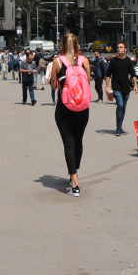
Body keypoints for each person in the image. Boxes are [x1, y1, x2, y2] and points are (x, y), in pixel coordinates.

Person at [50, 33, 92, 197]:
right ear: (77, 45)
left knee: (69, 143)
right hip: (83, 108)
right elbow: (87, 84)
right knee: (78, 140)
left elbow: (54, 86)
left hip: (64, 109)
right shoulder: (84, 61)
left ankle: (74, 183)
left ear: (62, 45)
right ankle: (74, 171)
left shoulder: (57, 62)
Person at [105, 41, 138, 136]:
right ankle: (118, 128)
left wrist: (135, 84)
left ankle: (120, 126)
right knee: (119, 105)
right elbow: (108, 74)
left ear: (125, 49)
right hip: (116, 87)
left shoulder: (128, 61)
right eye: (118, 47)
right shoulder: (113, 61)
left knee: (123, 107)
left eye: (121, 47)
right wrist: (107, 86)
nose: (119, 49)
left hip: (126, 88)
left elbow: (133, 74)